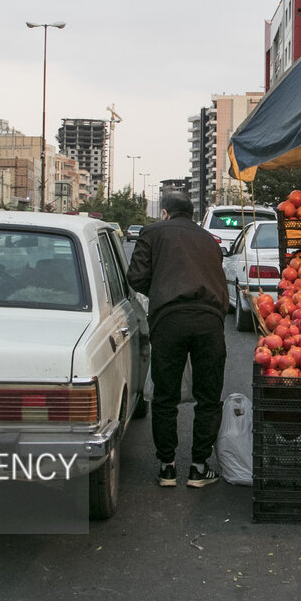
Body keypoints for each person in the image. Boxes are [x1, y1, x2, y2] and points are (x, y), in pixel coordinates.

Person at [126, 191, 229, 488]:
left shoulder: (152, 232)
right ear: (192, 215)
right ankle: (198, 468)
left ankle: (167, 467)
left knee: (165, 397)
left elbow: (136, 277)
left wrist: (160, 290)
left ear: (165, 213)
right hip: (209, 319)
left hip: (169, 319)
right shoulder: (210, 240)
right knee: (209, 397)